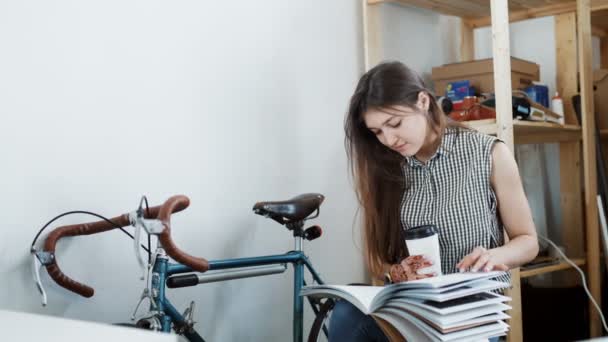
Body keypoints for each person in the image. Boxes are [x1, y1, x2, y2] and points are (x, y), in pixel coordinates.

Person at [329, 61, 539, 341]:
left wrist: (494, 256)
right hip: (412, 310)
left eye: (395, 123)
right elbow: (376, 257)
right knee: (345, 315)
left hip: (472, 314)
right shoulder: (385, 168)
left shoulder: (488, 154)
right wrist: (396, 271)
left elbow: (527, 241)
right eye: (377, 132)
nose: (389, 139)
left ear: (423, 101)